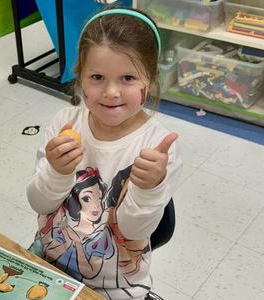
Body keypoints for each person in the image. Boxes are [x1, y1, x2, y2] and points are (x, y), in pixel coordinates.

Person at [27, 6, 182, 300]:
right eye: (97, 77)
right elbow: (38, 202)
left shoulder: (158, 146)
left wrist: (150, 189)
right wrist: (57, 172)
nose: (111, 92)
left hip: (117, 285)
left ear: (148, 81)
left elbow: (134, 230)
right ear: (80, 76)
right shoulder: (65, 123)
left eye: (127, 78)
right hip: (48, 261)